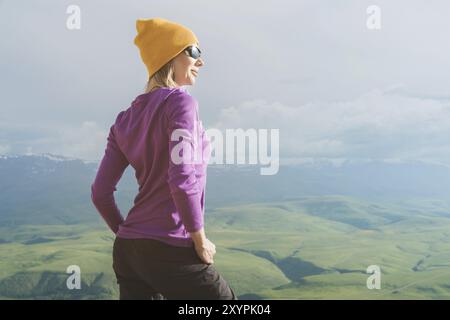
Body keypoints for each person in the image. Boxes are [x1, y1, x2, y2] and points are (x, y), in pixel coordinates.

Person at [91, 17, 236, 300]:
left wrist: (127, 233)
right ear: (170, 56)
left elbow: (100, 192)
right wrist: (200, 239)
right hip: (171, 247)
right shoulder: (181, 103)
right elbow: (182, 178)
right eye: (194, 51)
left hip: (128, 252)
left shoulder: (123, 121)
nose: (201, 61)